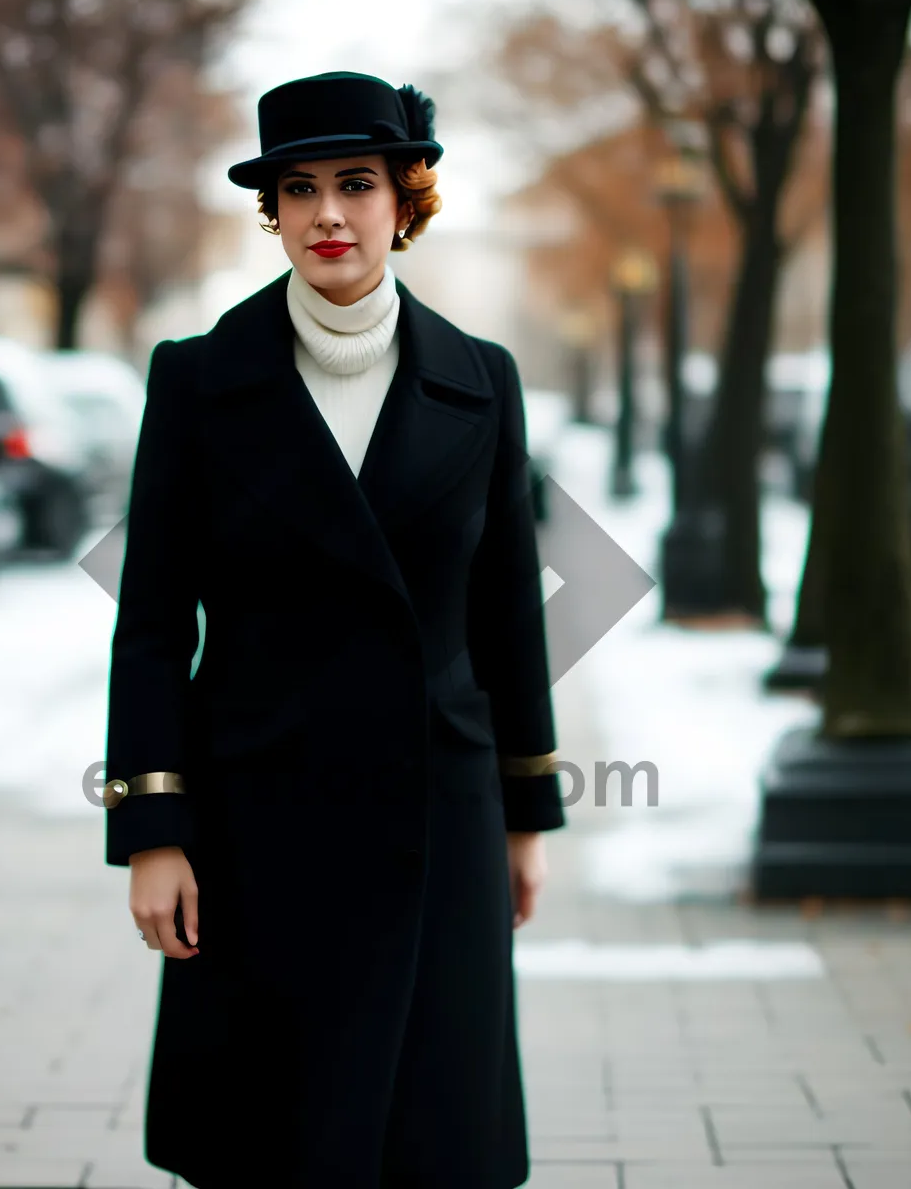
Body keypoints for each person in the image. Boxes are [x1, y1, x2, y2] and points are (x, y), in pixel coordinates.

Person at [103, 70, 566, 1189]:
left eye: (356, 184)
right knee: (275, 1139)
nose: (326, 215)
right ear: (271, 212)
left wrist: (524, 813)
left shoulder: (483, 383)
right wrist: (153, 831)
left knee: (429, 1137)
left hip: (438, 814)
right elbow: (155, 622)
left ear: (406, 200)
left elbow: (509, 611)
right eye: (296, 189)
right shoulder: (199, 380)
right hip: (261, 819)